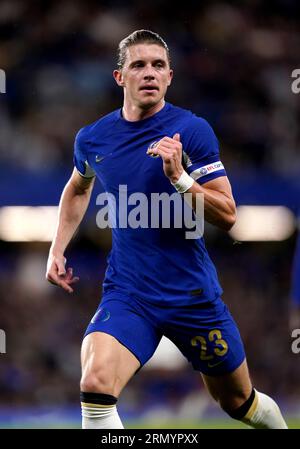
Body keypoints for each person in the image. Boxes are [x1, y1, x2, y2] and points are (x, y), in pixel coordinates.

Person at [46, 29, 287, 429]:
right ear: (119, 77)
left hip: (191, 296)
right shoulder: (93, 139)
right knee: (95, 382)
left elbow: (228, 214)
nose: (149, 73)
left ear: (170, 77)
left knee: (240, 403)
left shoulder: (191, 132)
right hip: (129, 294)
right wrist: (57, 248)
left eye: (158, 65)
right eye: (138, 65)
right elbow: (77, 186)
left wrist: (180, 179)